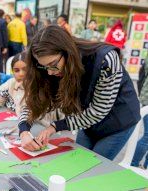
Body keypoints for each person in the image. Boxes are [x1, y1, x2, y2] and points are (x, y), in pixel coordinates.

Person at [18, 26, 140, 160]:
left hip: (118, 120)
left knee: (92, 166)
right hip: (87, 119)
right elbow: (34, 103)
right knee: (77, 160)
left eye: (53, 64)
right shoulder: (48, 67)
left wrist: (55, 126)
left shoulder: (106, 59)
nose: (50, 72)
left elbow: (98, 111)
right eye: (44, 66)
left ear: (67, 52)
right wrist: (24, 131)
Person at [131, 56, 148, 169]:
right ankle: (133, 164)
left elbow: (142, 74)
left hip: (146, 98)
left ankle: (143, 165)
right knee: (147, 137)